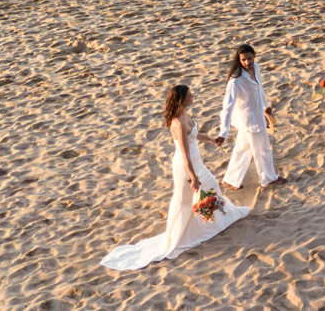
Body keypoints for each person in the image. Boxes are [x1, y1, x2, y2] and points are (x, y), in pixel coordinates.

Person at [101, 85, 249, 270]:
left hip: (196, 162)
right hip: (186, 166)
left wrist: (210, 139)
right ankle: (184, 234)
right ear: (181, 100)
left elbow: (194, 136)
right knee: (186, 201)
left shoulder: (185, 115)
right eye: (189, 96)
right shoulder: (177, 123)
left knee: (210, 187)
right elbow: (185, 153)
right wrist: (193, 176)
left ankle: (210, 222)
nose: (193, 97)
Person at [215, 44, 287, 189]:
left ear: (254, 56)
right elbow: (227, 107)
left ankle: (230, 180)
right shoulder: (236, 81)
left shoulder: (256, 68)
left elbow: (260, 89)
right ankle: (267, 178)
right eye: (243, 60)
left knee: (242, 149)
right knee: (263, 149)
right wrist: (223, 132)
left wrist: (266, 106)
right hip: (249, 121)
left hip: (257, 116)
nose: (247, 62)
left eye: (249, 58)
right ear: (239, 60)